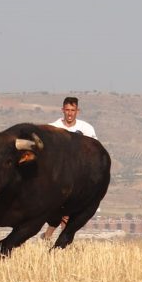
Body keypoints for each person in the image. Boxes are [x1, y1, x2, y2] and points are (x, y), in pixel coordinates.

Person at [43, 96, 98, 240]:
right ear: (62, 110)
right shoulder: (52, 128)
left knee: (69, 209)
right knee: (60, 208)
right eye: (67, 110)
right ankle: (58, 239)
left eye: (72, 110)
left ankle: (53, 238)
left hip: (79, 175)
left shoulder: (86, 129)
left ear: (77, 111)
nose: (69, 113)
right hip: (57, 175)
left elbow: (94, 151)